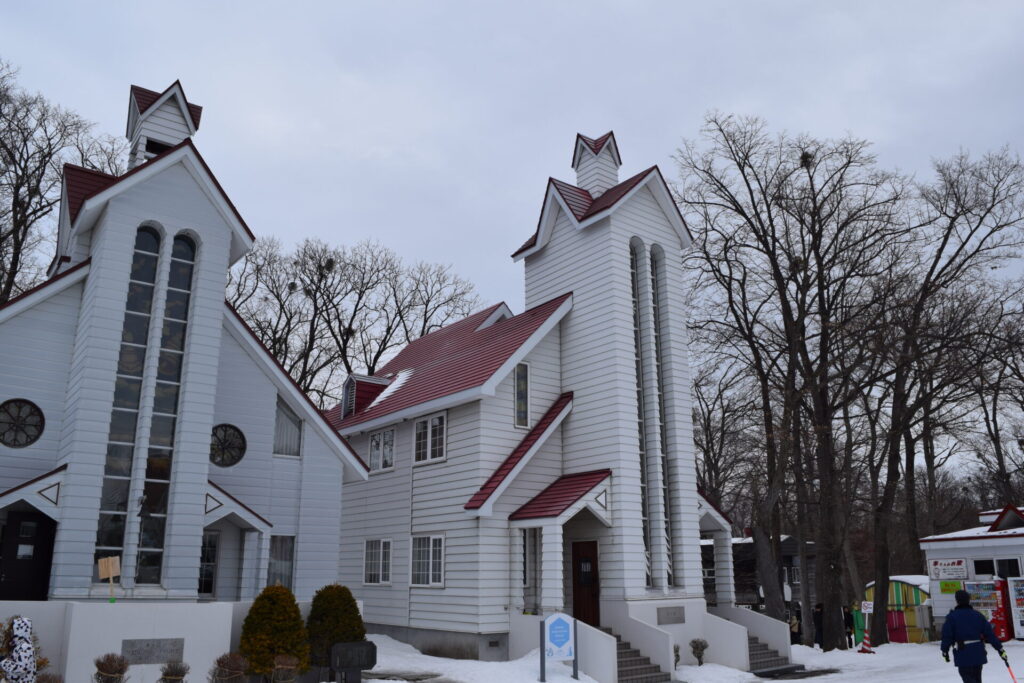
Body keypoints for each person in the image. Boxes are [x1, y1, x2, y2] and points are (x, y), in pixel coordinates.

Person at [941, 589, 1008, 683]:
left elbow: (947, 636)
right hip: (978, 653)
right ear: (968, 600)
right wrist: (1000, 649)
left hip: (963, 653)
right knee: (977, 679)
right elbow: (990, 634)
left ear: (957, 601)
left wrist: (945, 650)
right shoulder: (978, 616)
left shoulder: (952, 617)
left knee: (968, 678)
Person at [0, 616, 36, 683]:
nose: (11, 631)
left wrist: (3, 661)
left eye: (13, 629)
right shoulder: (18, 646)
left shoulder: (25, 646)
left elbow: (21, 668)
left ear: (19, 630)